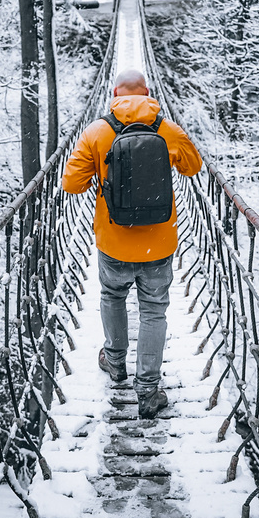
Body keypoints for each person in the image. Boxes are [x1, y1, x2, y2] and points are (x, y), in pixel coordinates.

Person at [62, 68, 202, 419]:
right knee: (154, 310)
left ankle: (115, 361)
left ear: (114, 94)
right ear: (148, 92)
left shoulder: (97, 131)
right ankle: (149, 388)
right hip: (159, 242)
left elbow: (71, 184)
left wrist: (102, 172)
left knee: (113, 296)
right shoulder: (167, 130)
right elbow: (193, 167)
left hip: (114, 240)